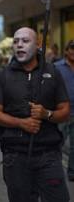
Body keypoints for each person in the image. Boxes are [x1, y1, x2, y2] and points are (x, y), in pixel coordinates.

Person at [0, 27, 70, 202]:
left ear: (38, 44)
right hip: (15, 156)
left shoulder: (53, 72)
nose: (19, 45)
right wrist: (20, 123)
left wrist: (46, 114)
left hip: (49, 155)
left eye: (25, 41)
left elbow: (65, 111)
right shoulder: (3, 75)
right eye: (16, 41)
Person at [55, 40, 74, 181]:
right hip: (61, 112)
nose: (73, 52)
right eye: (71, 49)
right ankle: (54, 171)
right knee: (57, 144)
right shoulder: (56, 67)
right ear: (66, 51)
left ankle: (72, 172)